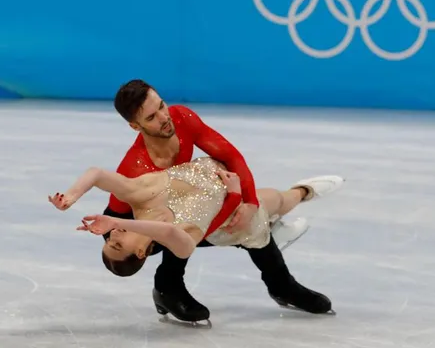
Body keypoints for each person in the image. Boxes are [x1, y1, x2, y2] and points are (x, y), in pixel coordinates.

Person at [91, 79, 323, 322]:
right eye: (151, 117)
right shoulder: (134, 170)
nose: (163, 117)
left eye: (161, 105)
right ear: (134, 126)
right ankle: (167, 287)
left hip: (182, 212)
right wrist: (232, 205)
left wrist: (249, 202)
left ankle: (280, 283)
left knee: (250, 213)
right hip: (140, 232)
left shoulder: (181, 118)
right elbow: (115, 219)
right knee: (180, 224)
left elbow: (230, 156)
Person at [48, 156, 345, 319]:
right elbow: (167, 232)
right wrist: (113, 219)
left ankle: (303, 192)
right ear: (140, 254)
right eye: (116, 243)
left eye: (110, 237)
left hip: (226, 185)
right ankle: (296, 203)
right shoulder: (180, 240)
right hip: (235, 223)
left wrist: (70, 198)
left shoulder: (138, 197)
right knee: (274, 205)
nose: (113, 234)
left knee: (277, 199)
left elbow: (97, 172)